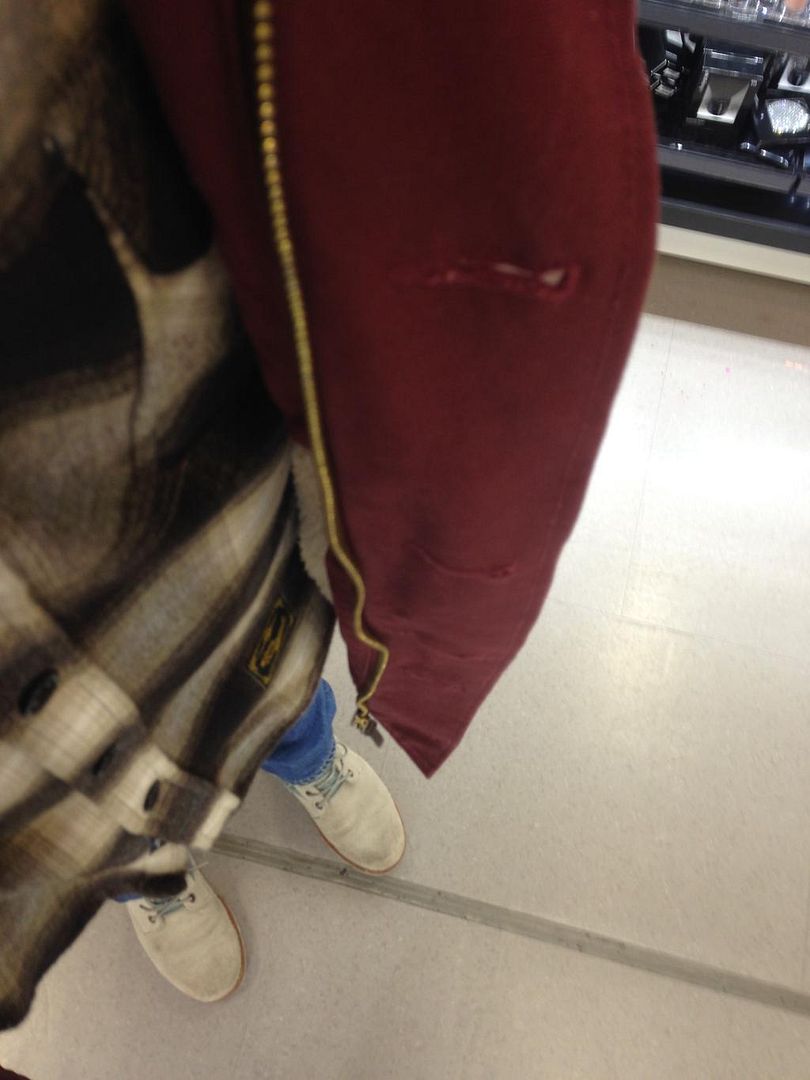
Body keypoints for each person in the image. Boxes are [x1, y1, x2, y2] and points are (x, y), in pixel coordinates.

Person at [0, 0, 655, 1027]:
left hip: (157, 412)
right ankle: (145, 881)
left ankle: (303, 752)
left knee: (251, 630)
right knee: (53, 773)